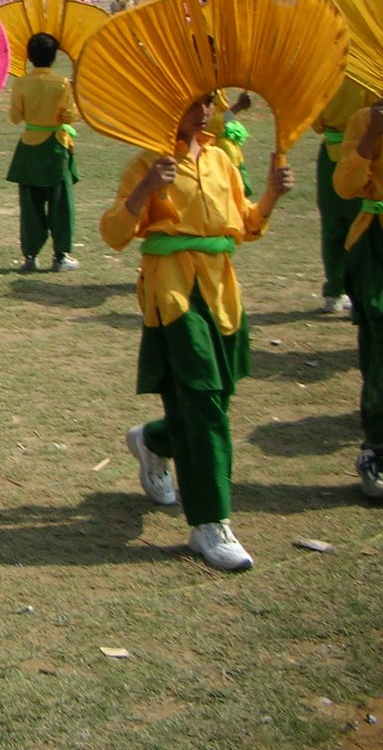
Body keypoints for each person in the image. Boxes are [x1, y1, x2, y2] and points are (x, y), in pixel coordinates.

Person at [101, 95, 293, 571]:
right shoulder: (148, 162)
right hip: (174, 293)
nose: (205, 110)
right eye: (194, 102)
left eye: (209, 101)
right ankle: (210, 522)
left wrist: (271, 195)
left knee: (215, 399)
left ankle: (155, 440)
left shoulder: (222, 159)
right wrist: (145, 189)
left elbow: (245, 225)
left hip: (222, 291)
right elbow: (114, 233)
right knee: (204, 398)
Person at [333, 97, 383, 498]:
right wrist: (372, 136)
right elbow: (345, 185)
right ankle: (376, 447)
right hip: (375, 244)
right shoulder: (365, 119)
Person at [7, 32, 80, 272]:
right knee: (61, 203)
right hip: (56, 147)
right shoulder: (62, 84)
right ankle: (61, 256)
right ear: (55, 56)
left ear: (29, 57)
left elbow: (15, 117)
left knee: (30, 204)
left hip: (29, 147)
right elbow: (69, 116)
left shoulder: (20, 83)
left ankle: (30, 256)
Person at [315, 80, 378, 315]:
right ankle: (361, 294)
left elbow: (316, 123)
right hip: (365, 153)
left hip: (332, 157)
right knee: (363, 226)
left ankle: (334, 290)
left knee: (332, 226)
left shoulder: (325, 75)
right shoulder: (370, 75)